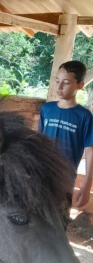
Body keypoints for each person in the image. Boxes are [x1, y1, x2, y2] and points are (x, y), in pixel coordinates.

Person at [38, 60, 93, 208]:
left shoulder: (84, 116)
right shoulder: (47, 109)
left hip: (65, 177)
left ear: (80, 85)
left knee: (60, 215)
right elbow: (39, 141)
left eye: (66, 82)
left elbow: (90, 150)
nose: (60, 87)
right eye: (57, 81)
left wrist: (87, 185)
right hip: (41, 172)